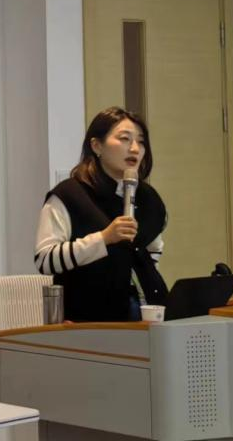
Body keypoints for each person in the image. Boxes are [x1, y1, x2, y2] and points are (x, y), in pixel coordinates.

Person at [34, 107, 168, 321]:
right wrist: (104, 238)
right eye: (124, 139)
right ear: (97, 146)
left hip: (147, 314)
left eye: (141, 141)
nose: (135, 148)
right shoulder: (69, 195)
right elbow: (45, 260)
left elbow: (153, 250)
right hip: (88, 317)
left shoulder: (148, 198)